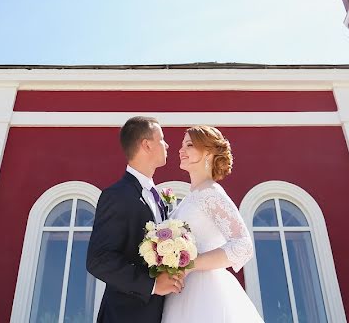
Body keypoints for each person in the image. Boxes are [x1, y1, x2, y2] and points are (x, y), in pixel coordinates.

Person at [162, 125, 264, 322]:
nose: (181, 150)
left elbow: (243, 245)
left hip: (206, 292)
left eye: (190, 145)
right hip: (180, 293)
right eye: (182, 145)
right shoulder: (190, 197)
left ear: (208, 152)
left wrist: (190, 265)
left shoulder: (212, 193)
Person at [87, 116, 184, 323]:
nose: (167, 144)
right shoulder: (117, 195)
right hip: (125, 315)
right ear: (146, 145)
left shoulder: (158, 197)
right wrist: (153, 285)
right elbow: (99, 259)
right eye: (161, 139)